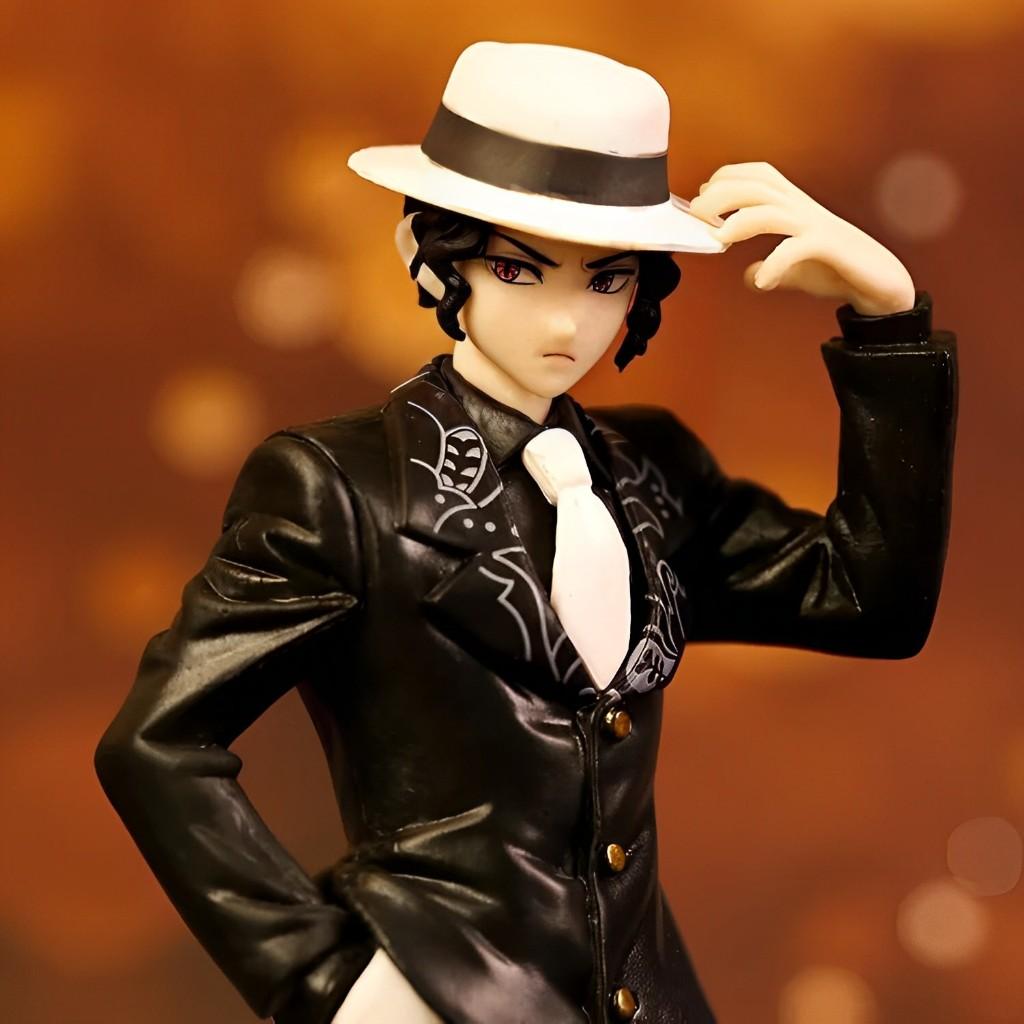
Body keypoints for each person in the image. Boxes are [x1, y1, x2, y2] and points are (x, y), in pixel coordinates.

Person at [94, 41, 958, 1024]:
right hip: (438, 998)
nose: (566, 323)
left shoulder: (651, 469)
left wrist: (886, 324)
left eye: (606, 281)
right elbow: (157, 742)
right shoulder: (341, 484)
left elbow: (865, 599)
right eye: (517, 269)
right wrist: (325, 978)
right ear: (428, 256)